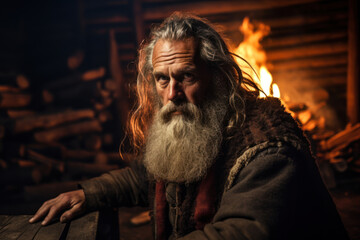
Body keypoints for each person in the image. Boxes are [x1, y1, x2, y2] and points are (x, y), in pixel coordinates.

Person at [29, 13, 349, 240]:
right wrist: (88, 193)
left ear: (218, 78)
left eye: (187, 77)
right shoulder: (197, 123)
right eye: (162, 79)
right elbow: (148, 176)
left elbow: (238, 233)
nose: (172, 94)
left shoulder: (269, 146)